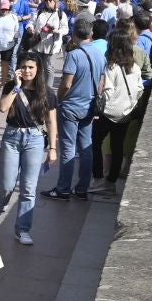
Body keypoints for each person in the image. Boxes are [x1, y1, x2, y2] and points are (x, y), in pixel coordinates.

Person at [0, 53, 57, 245]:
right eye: (24, 67)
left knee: (28, 188)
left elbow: (51, 121)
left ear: (38, 69)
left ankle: (22, 229)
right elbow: (2, 107)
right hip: (12, 136)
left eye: (31, 67)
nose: (27, 71)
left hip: (35, 139)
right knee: (6, 184)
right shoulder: (11, 86)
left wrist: (53, 148)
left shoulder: (47, 92)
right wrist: (16, 86)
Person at [46, 19, 104, 201]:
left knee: (68, 148)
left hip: (71, 106)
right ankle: (82, 188)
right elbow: (102, 82)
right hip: (89, 105)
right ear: (91, 33)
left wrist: (58, 99)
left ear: (74, 34)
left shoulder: (74, 55)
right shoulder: (99, 53)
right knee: (86, 148)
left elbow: (66, 83)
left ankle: (63, 188)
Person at [88, 27, 148, 198]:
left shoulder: (111, 67)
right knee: (117, 147)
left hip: (109, 113)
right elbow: (139, 89)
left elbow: (107, 92)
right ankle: (111, 182)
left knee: (95, 142)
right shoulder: (134, 67)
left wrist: (99, 104)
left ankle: (98, 179)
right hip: (126, 113)